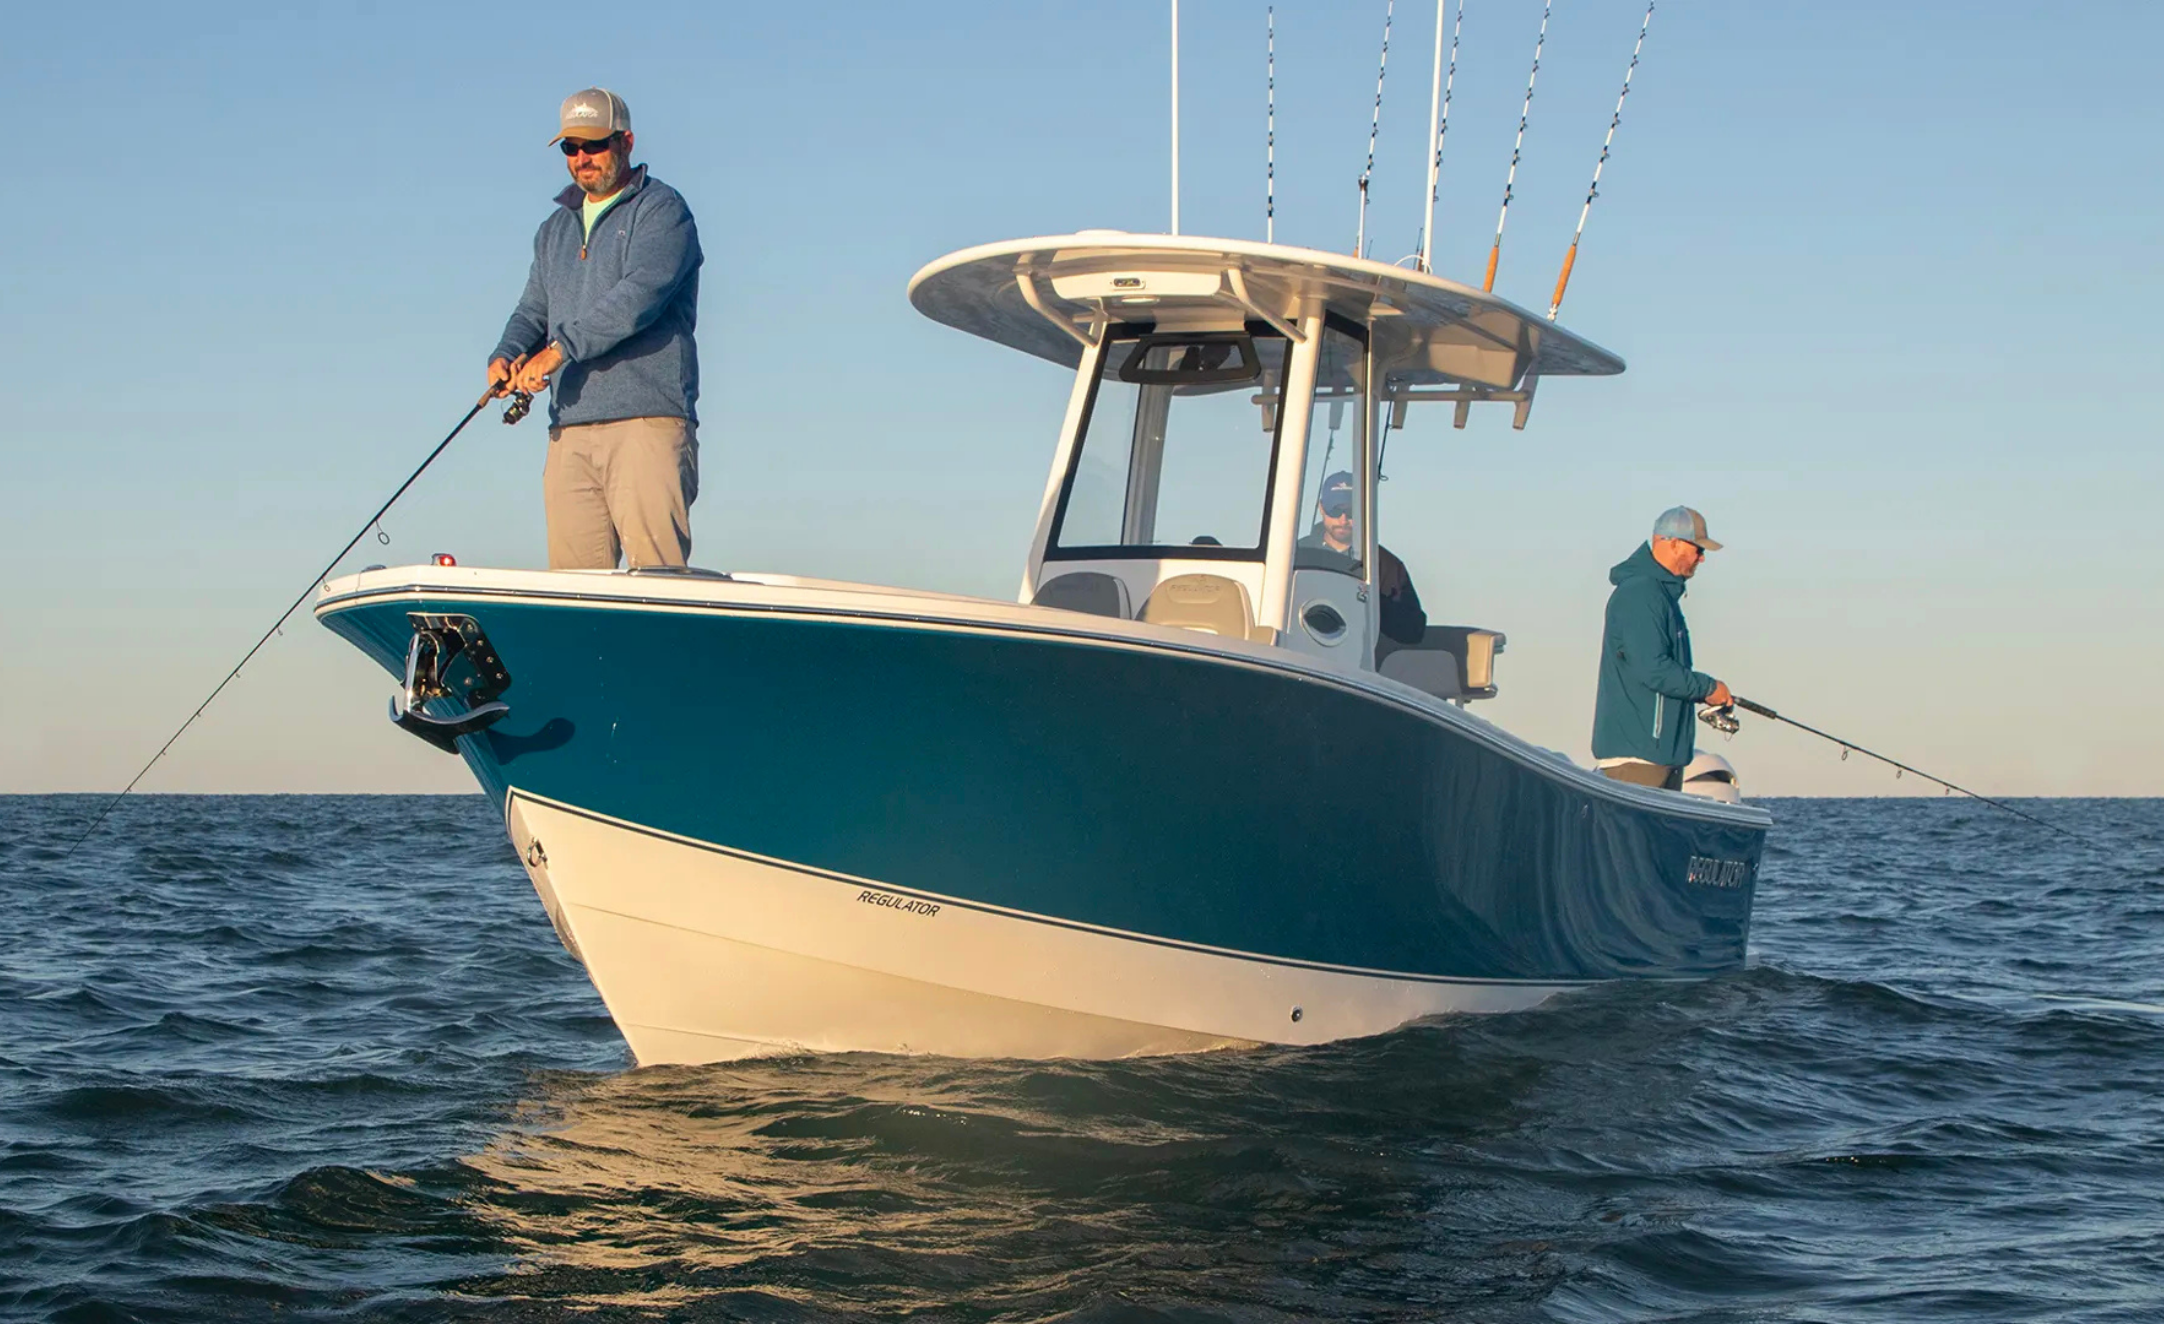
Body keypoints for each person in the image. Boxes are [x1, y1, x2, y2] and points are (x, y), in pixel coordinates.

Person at [488, 88, 704, 570]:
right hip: (569, 430)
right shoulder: (554, 229)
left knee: (659, 584)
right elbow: (533, 309)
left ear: (625, 141)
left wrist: (557, 351)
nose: (582, 158)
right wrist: (506, 353)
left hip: (646, 422)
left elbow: (637, 298)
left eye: (595, 145)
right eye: (571, 147)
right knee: (572, 592)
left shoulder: (663, 211)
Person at [1591, 506, 1735, 790]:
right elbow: (1653, 669)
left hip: (1661, 756)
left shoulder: (1660, 595)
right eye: (1697, 549)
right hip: (1638, 758)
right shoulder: (1641, 594)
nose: (1702, 558)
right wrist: (1709, 688)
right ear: (1672, 543)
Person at [1295, 471, 1426, 644]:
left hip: (1359, 655)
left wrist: (1372, 602)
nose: (1343, 520)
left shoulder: (1385, 565)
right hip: (1304, 650)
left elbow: (1414, 631)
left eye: (1350, 511)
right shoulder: (1297, 555)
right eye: (1335, 511)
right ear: (1321, 507)